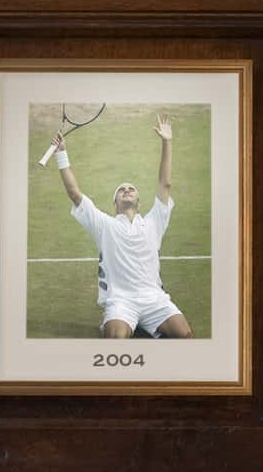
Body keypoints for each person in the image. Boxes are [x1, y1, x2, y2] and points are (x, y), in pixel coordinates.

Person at [57, 116, 194, 339]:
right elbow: (74, 193)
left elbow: (165, 184)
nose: (127, 190)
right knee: (116, 340)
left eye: (131, 189)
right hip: (121, 302)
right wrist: (61, 153)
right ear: (115, 204)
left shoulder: (153, 221)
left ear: (139, 202)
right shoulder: (105, 225)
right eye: (122, 190)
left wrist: (167, 142)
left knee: (185, 335)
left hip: (154, 299)